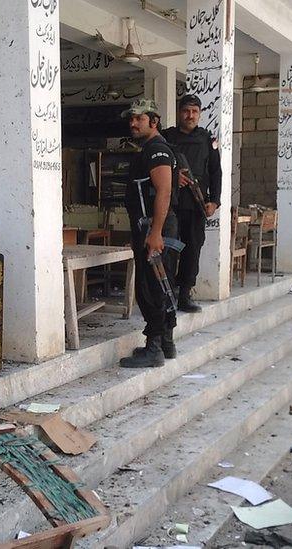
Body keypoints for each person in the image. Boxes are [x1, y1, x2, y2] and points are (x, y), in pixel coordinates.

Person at [119, 99, 180, 368]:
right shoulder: (151, 149)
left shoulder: (156, 150)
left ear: (153, 121)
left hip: (154, 228)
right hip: (150, 226)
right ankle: (165, 342)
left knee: (151, 286)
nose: (133, 123)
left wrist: (155, 232)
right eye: (131, 119)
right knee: (160, 284)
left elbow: (164, 191)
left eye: (138, 119)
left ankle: (154, 347)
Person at [161, 94, 221, 313]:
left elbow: (216, 172)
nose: (190, 115)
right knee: (168, 250)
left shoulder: (207, 139)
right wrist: (173, 177)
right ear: (179, 112)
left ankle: (184, 294)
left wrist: (214, 201)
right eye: (186, 111)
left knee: (192, 250)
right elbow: (156, 165)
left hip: (196, 206)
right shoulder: (166, 137)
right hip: (171, 205)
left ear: (200, 114)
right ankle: (166, 295)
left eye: (195, 111)